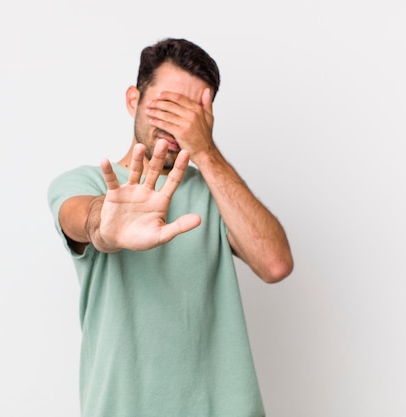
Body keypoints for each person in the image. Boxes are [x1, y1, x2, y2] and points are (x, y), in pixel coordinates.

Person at [47, 38, 293, 417]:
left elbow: (275, 264)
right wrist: (104, 223)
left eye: (191, 112)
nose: (177, 123)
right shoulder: (88, 183)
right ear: (134, 100)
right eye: (166, 105)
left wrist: (206, 152)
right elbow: (81, 218)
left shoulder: (217, 191)